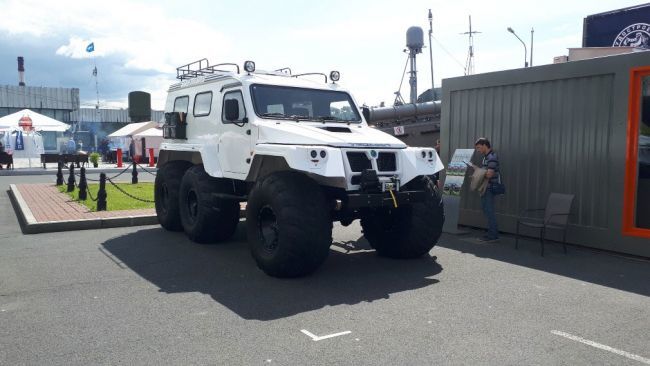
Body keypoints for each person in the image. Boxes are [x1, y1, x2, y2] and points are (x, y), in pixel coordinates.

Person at [475, 137, 500, 242]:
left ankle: (493, 235)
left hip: (489, 187)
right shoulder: (486, 157)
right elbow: (486, 172)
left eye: (479, 147)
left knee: (489, 210)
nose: (478, 150)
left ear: (485, 145)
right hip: (486, 187)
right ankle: (491, 233)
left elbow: (489, 174)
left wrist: (479, 171)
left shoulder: (492, 156)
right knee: (486, 210)